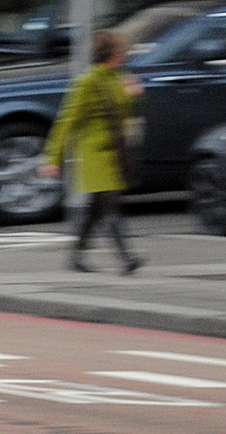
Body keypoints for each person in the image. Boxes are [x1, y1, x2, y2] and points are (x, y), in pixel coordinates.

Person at [39, 28, 144, 275]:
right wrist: (53, 158)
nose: (124, 54)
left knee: (95, 210)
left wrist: (134, 97)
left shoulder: (120, 78)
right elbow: (67, 121)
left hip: (115, 153)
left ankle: (76, 256)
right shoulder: (86, 82)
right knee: (109, 206)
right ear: (111, 53)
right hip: (94, 156)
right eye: (120, 50)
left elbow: (126, 117)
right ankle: (126, 258)